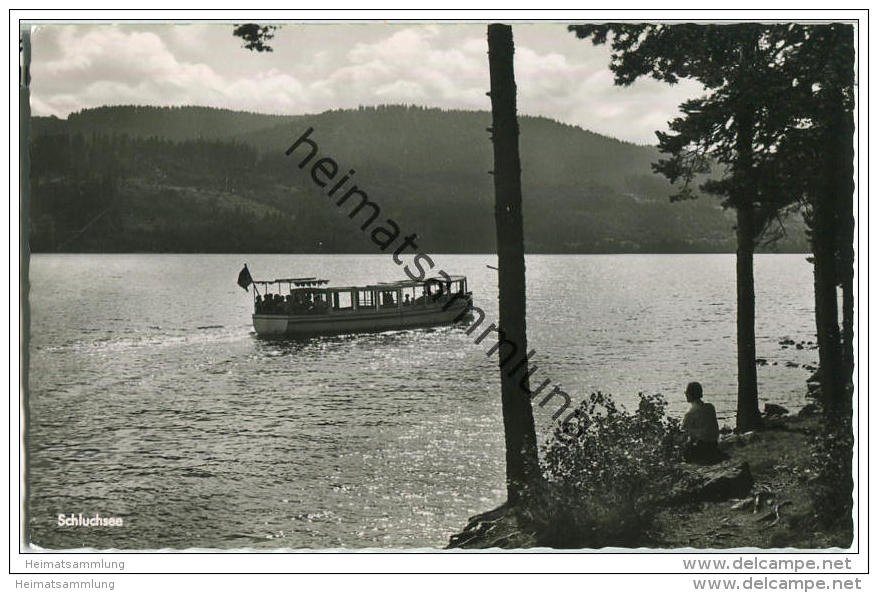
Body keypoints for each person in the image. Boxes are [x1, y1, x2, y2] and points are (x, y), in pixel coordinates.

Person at [681, 382, 724, 464]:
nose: (685, 395)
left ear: (689, 395)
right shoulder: (710, 407)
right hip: (714, 444)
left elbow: (684, 433)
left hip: (701, 448)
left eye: (686, 393)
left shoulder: (690, 414)